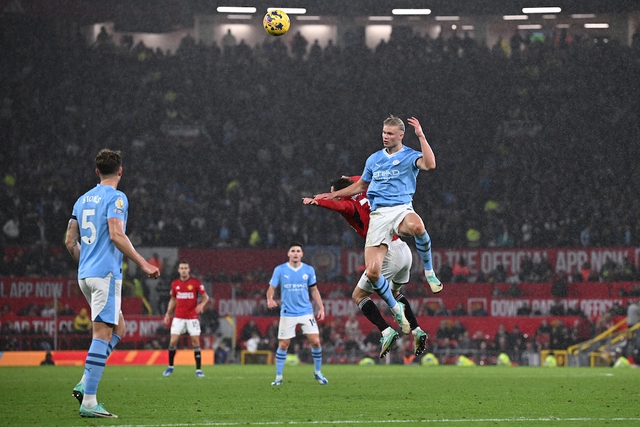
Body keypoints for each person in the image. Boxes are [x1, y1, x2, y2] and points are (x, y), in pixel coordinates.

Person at [315, 116, 442, 332]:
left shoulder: (410, 155)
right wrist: (330, 195)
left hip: (401, 208)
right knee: (373, 272)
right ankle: (397, 312)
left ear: (401, 135)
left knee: (418, 227)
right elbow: (359, 186)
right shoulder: (373, 159)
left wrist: (421, 136)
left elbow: (430, 165)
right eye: (384, 132)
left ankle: (430, 273)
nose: (385, 136)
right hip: (379, 215)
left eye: (390, 133)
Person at [65, 148, 160, 418]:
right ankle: (90, 401)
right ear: (120, 171)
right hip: (105, 275)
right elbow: (117, 235)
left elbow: (69, 241)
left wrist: (87, 262)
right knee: (102, 334)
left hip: (85, 274)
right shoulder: (117, 198)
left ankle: (86, 380)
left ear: (97, 172)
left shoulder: (82, 199)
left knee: (119, 326)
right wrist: (144, 263)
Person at [303, 175, 428, 358]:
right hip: (403, 249)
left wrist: (318, 201)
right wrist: (348, 178)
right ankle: (416, 330)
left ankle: (386, 331)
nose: (334, 196)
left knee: (359, 295)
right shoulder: (368, 190)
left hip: (385, 252)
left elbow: (338, 205)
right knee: (394, 293)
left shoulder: (348, 204)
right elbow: (363, 178)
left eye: (335, 193)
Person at [266, 243, 328, 386]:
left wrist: (321, 307)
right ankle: (278, 377)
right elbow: (271, 288)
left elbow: (314, 290)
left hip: (306, 311)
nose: (295, 253)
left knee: (316, 342)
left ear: (302, 254)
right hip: (288, 312)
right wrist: (269, 299)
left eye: (298, 251)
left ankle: (317, 372)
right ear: (288, 254)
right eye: (292, 251)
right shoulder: (280, 270)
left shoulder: (308, 269)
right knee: (283, 344)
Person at [162, 260, 210, 377]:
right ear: (179, 270)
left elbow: (206, 297)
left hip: (192, 317)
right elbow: (173, 300)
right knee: (173, 341)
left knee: (195, 342)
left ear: (189, 270)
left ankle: (198, 370)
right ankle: (170, 367)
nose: (184, 270)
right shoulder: (175, 284)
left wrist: (201, 305)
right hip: (178, 317)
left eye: (185, 268)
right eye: (182, 268)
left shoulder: (195, 283)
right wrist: (168, 313)